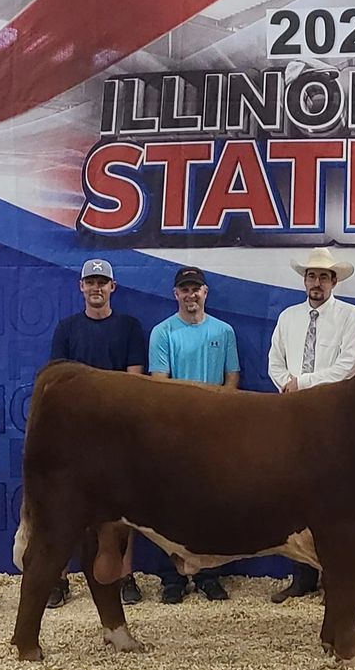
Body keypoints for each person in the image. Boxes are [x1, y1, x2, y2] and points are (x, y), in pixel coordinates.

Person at [46, 258, 147, 608]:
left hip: (118, 432)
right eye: (91, 282)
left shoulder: (130, 327)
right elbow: (57, 382)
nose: (96, 288)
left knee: (125, 509)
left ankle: (124, 575)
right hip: (75, 434)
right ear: (81, 287)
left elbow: (135, 382)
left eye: (102, 282)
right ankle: (58, 578)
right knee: (64, 507)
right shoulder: (67, 329)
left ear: (113, 288)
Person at [267, 248, 355, 603]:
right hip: (295, 416)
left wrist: (302, 383)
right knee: (297, 495)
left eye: (324, 277)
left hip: (335, 416)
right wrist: (288, 385)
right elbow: (274, 361)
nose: (317, 283)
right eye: (312, 276)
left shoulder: (350, 316)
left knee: (336, 499)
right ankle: (302, 575)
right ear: (305, 280)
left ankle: (334, 577)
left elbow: (348, 366)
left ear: (334, 282)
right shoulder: (289, 317)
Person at [149, 265, 239, 603]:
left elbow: (232, 378)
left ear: (205, 293)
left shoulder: (224, 331)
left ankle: (209, 575)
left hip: (214, 431)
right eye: (184, 289)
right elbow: (159, 384)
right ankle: (171, 579)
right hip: (174, 430)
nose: (191, 295)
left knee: (212, 502)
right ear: (176, 294)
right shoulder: (162, 332)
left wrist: (217, 416)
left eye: (196, 288)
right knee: (167, 504)